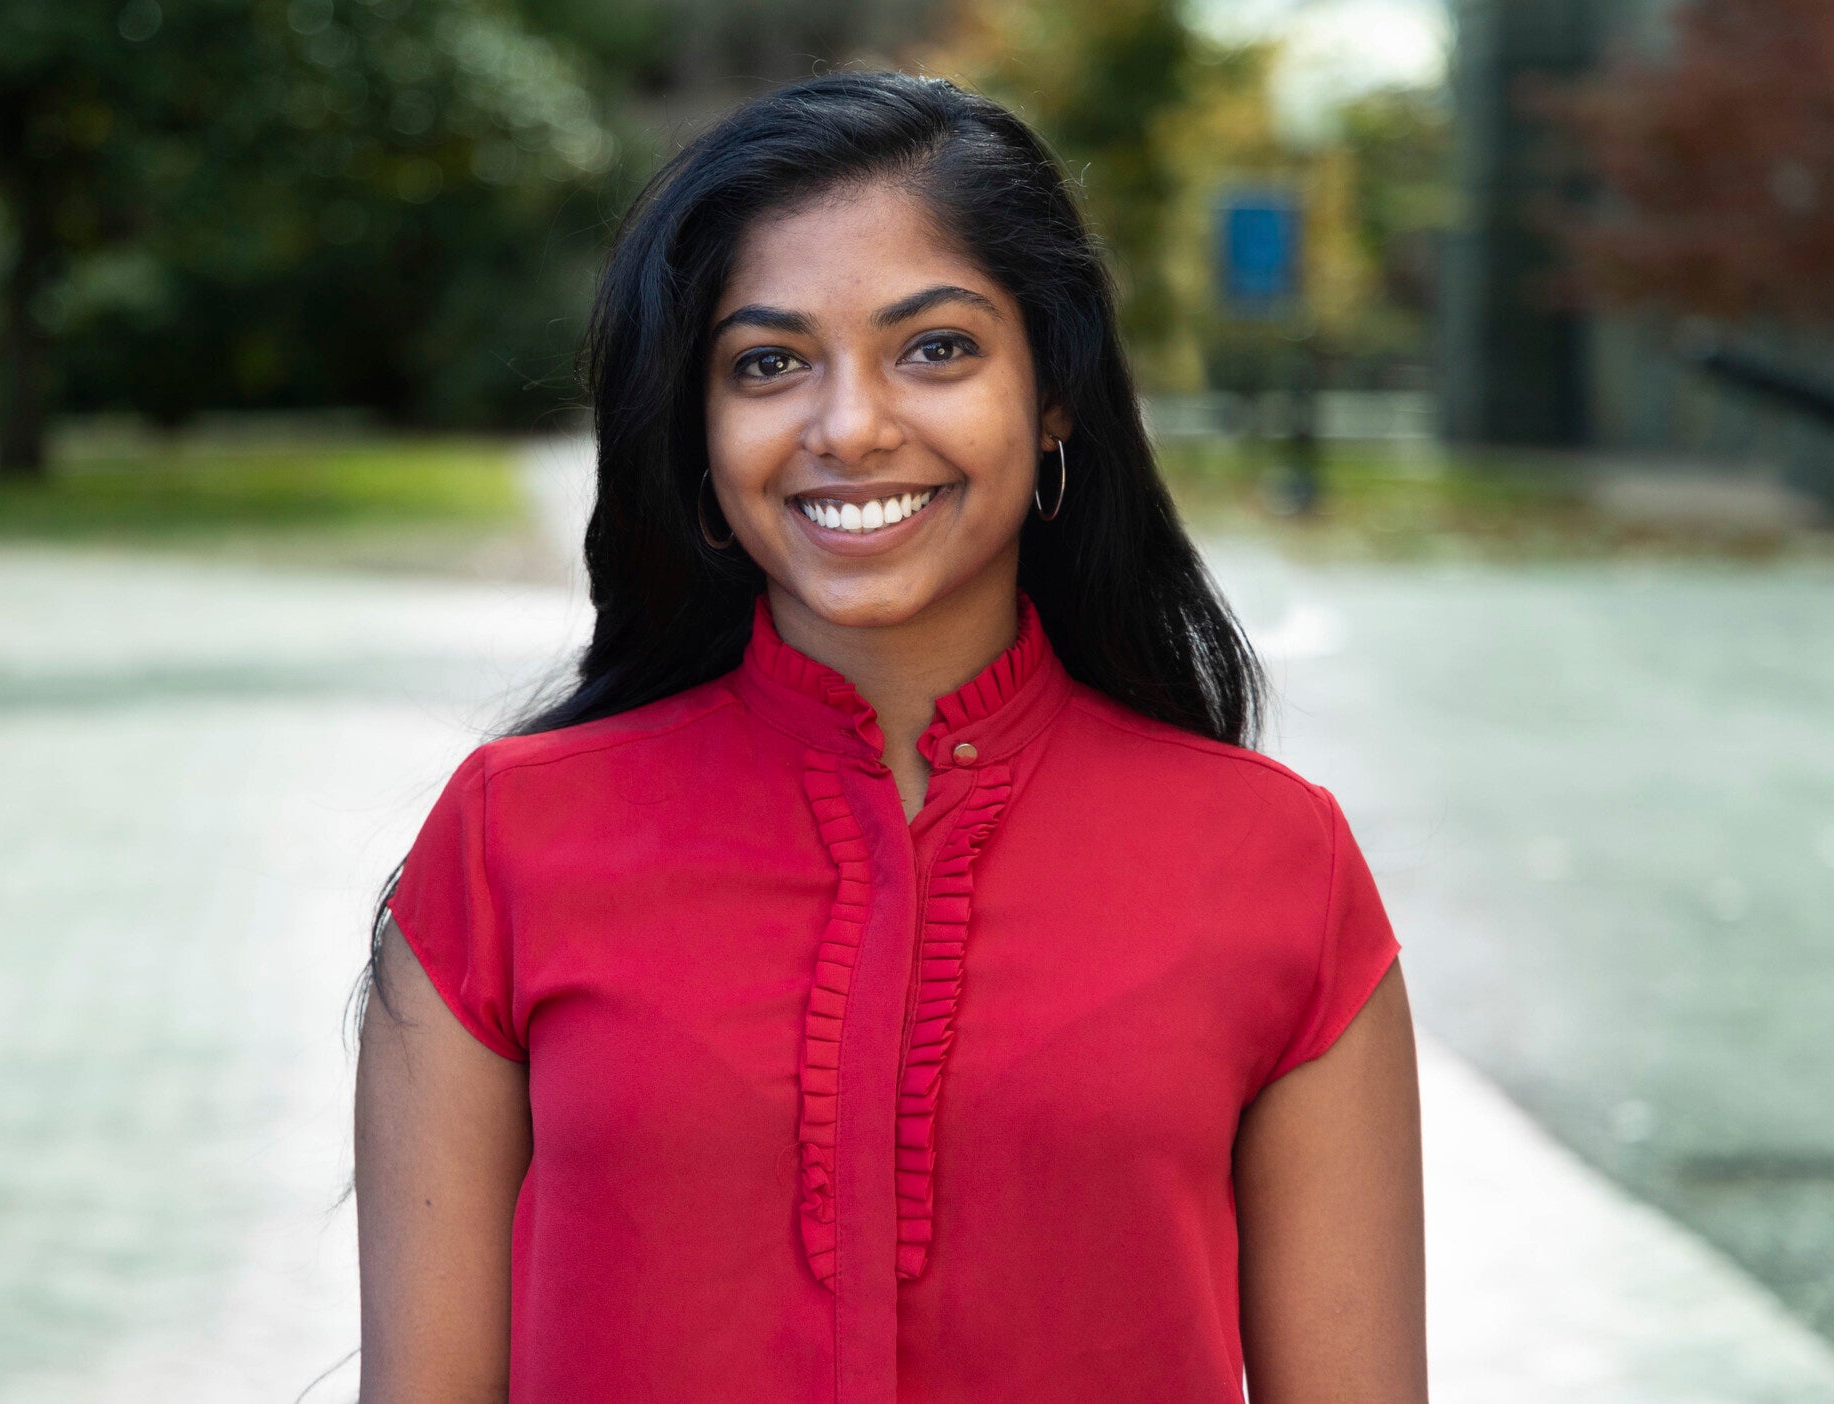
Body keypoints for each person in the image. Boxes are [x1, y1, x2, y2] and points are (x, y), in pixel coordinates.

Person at [354, 70, 1424, 1404]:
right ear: (696, 426)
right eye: (768, 363)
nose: (849, 428)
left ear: (1053, 397)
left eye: (935, 349)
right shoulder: (508, 844)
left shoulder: (1281, 867)